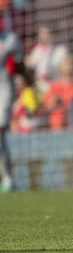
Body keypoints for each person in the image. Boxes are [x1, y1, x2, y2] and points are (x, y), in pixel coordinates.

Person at [0, 29, 23, 191]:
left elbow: (20, 63)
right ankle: (7, 178)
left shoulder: (10, 39)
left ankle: (8, 179)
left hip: (4, 90)